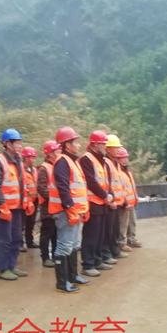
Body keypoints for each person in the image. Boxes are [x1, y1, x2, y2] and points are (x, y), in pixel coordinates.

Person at [49, 126, 90, 293]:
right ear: (67, 145)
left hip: (76, 212)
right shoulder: (62, 162)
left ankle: (73, 276)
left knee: (73, 245)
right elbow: (63, 188)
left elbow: (78, 188)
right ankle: (62, 282)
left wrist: (83, 209)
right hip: (66, 212)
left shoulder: (72, 162)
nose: (79, 145)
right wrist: (70, 209)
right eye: (75, 142)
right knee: (64, 246)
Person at [0, 128, 26, 281]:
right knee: (4, 239)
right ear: (7, 144)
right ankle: (4, 268)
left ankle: (12, 265)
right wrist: (2, 206)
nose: (19, 145)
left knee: (16, 238)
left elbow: (21, 183)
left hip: (17, 207)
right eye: (16, 142)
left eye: (20, 142)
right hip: (4, 208)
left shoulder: (18, 160)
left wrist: (26, 201)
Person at [78, 130, 114, 277]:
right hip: (92, 203)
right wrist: (105, 195)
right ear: (94, 144)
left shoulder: (102, 160)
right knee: (91, 235)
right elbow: (91, 181)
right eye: (102, 144)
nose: (105, 146)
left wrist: (109, 195)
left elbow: (106, 181)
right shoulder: (86, 159)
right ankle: (88, 264)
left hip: (102, 203)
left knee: (100, 235)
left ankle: (98, 260)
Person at [104, 134, 128, 261]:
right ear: (108, 149)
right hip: (110, 202)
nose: (118, 150)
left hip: (118, 202)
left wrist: (123, 199)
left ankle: (115, 251)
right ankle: (109, 253)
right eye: (115, 147)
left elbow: (118, 183)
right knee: (109, 230)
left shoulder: (115, 163)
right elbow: (107, 183)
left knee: (115, 229)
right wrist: (111, 200)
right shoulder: (106, 162)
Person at [37, 140, 60, 268]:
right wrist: (53, 199)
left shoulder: (56, 166)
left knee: (56, 233)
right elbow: (41, 188)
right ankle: (45, 257)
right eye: (56, 151)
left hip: (57, 207)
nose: (59, 152)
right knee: (47, 233)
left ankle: (56, 256)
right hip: (47, 207)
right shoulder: (44, 168)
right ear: (50, 153)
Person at [116, 147, 142, 250]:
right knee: (123, 224)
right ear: (118, 159)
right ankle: (122, 243)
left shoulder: (127, 172)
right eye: (122, 158)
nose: (125, 160)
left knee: (132, 222)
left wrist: (135, 198)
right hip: (124, 203)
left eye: (126, 157)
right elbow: (120, 189)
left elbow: (131, 187)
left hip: (131, 202)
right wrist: (125, 201)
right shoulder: (118, 173)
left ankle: (131, 239)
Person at [21, 146, 39, 251]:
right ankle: (20, 243)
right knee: (22, 223)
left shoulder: (34, 170)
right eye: (30, 157)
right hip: (25, 200)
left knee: (31, 222)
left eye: (33, 157)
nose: (32, 160)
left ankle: (30, 241)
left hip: (34, 199)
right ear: (25, 158)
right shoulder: (21, 170)